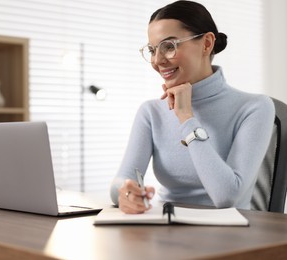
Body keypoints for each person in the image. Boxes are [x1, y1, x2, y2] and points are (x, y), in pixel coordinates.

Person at [110, 0, 275, 214]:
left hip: (229, 239)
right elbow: (121, 182)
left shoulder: (255, 108)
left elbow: (227, 197)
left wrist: (187, 118)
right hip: (165, 231)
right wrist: (126, 192)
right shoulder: (151, 112)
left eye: (169, 46)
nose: (157, 60)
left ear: (206, 44)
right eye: (152, 50)